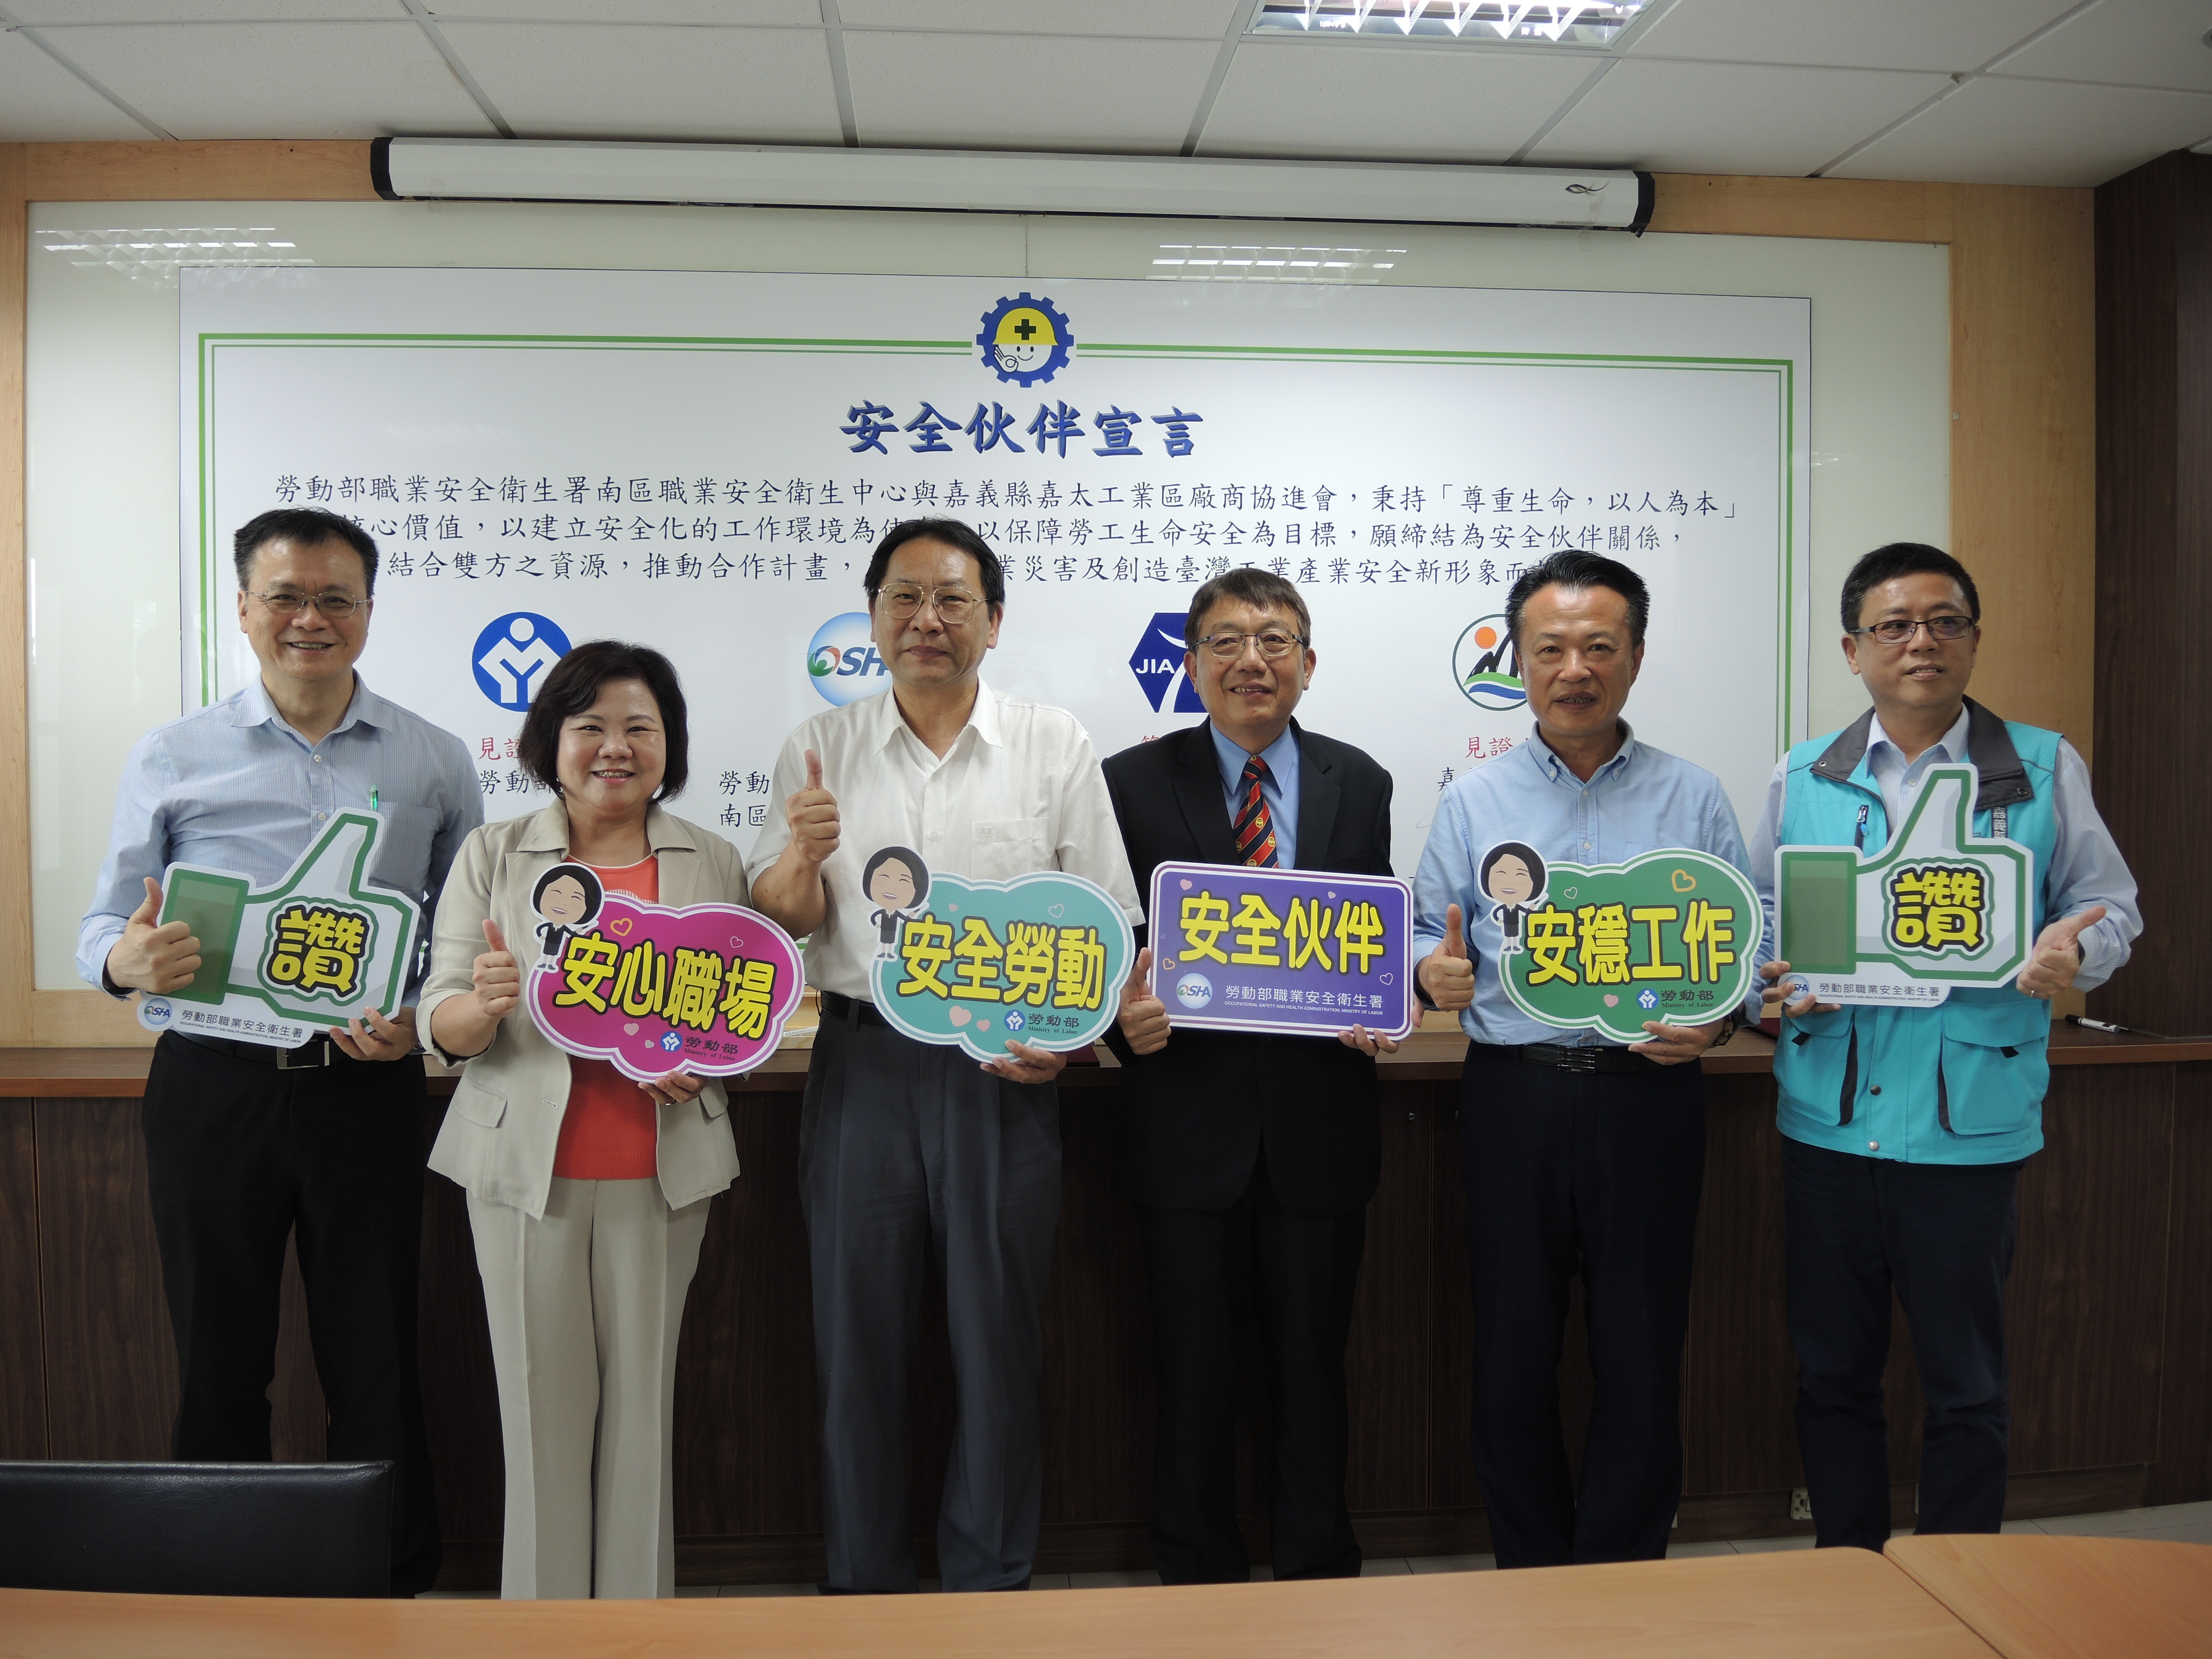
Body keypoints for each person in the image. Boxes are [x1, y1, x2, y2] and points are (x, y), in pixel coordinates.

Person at [78, 505, 479, 1597]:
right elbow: (104, 922)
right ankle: (218, 1581)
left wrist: (418, 1018)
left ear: (368, 613)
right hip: (214, 1089)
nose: (311, 619)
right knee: (218, 1355)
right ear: (246, 609)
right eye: (287, 597)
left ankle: (389, 1580)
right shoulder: (173, 754)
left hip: (366, 1086)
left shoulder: (435, 759)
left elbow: (461, 934)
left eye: (335, 599)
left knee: (376, 1353)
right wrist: (124, 961)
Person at [748, 518, 1141, 1594]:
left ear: (993, 621)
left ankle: (990, 1585)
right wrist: (801, 857)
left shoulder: (1052, 743)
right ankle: (862, 1586)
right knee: (855, 1346)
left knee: (997, 1344)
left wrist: (1066, 1042)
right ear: (873, 617)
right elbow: (782, 918)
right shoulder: (819, 746)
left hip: (1000, 1074)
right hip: (861, 1070)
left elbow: (1105, 916)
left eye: (953, 599)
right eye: (905, 598)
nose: (928, 619)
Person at [1749, 544, 2140, 1551]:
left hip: (1967, 1126)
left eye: (1944, 621)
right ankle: (1851, 1570)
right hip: (1829, 1126)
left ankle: (1964, 1584)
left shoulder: (2041, 768)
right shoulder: (1804, 774)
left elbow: (2111, 907)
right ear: (1854, 650)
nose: (1920, 642)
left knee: (1967, 1385)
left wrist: (2075, 950)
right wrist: (1768, 980)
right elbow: (1759, 923)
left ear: (1973, 638)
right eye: (1894, 625)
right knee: (1834, 1374)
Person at [1408, 549, 1757, 1569]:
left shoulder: (1695, 797)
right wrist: (1433, 973)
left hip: (1651, 1095)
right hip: (1514, 1099)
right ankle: (1529, 1569)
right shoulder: (1474, 800)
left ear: (1635, 659)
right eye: (1551, 648)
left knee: (1642, 1349)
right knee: (1513, 1348)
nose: (1575, 669)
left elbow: (1748, 943)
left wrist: (1718, 1022)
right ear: (1517, 661)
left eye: (1599, 647)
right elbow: (1428, 934)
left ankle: (1622, 1569)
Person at [420, 640, 750, 1599]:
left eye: (640, 728)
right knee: (538, 1419)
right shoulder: (493, 854)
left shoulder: (711, 859)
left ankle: (637, 1628)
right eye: (590, 727)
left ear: (668, 745)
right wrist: (482, 1004)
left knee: (645, 1417)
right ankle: (541, 1629)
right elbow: (439, 1025)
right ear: (549, 743)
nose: (615, 747)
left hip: (663, 1173)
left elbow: (739, 1014)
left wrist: (700, 1057)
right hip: (524, 1176)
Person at [1102, 568, 1397, 1585]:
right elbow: (1110, 948)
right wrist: (1119, 1021)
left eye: (1275, 641)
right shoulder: (1129, 782)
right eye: (1225, 642)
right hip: (1185, 1122)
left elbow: (1370, 939)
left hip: (1321, 1124)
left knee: (1315, 1366)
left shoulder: (1362, 780)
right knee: (1192, 1370)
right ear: (1191, 666)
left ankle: (1317, 1567)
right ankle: (1196, 1572)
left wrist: (1389, 1001)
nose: (1251, 662)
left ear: (1308, 664)